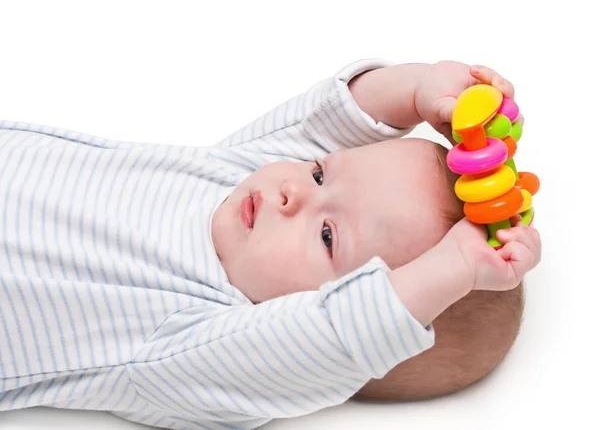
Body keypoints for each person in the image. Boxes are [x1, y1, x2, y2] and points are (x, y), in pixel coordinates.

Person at [0, 59, 541, 430]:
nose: (292, 195)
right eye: (320, 175)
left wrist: (455, 268)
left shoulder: (203, 339)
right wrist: (421, 89)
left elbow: (328, 339)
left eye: (328, 236)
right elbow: (327, 122)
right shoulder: (232, 175)